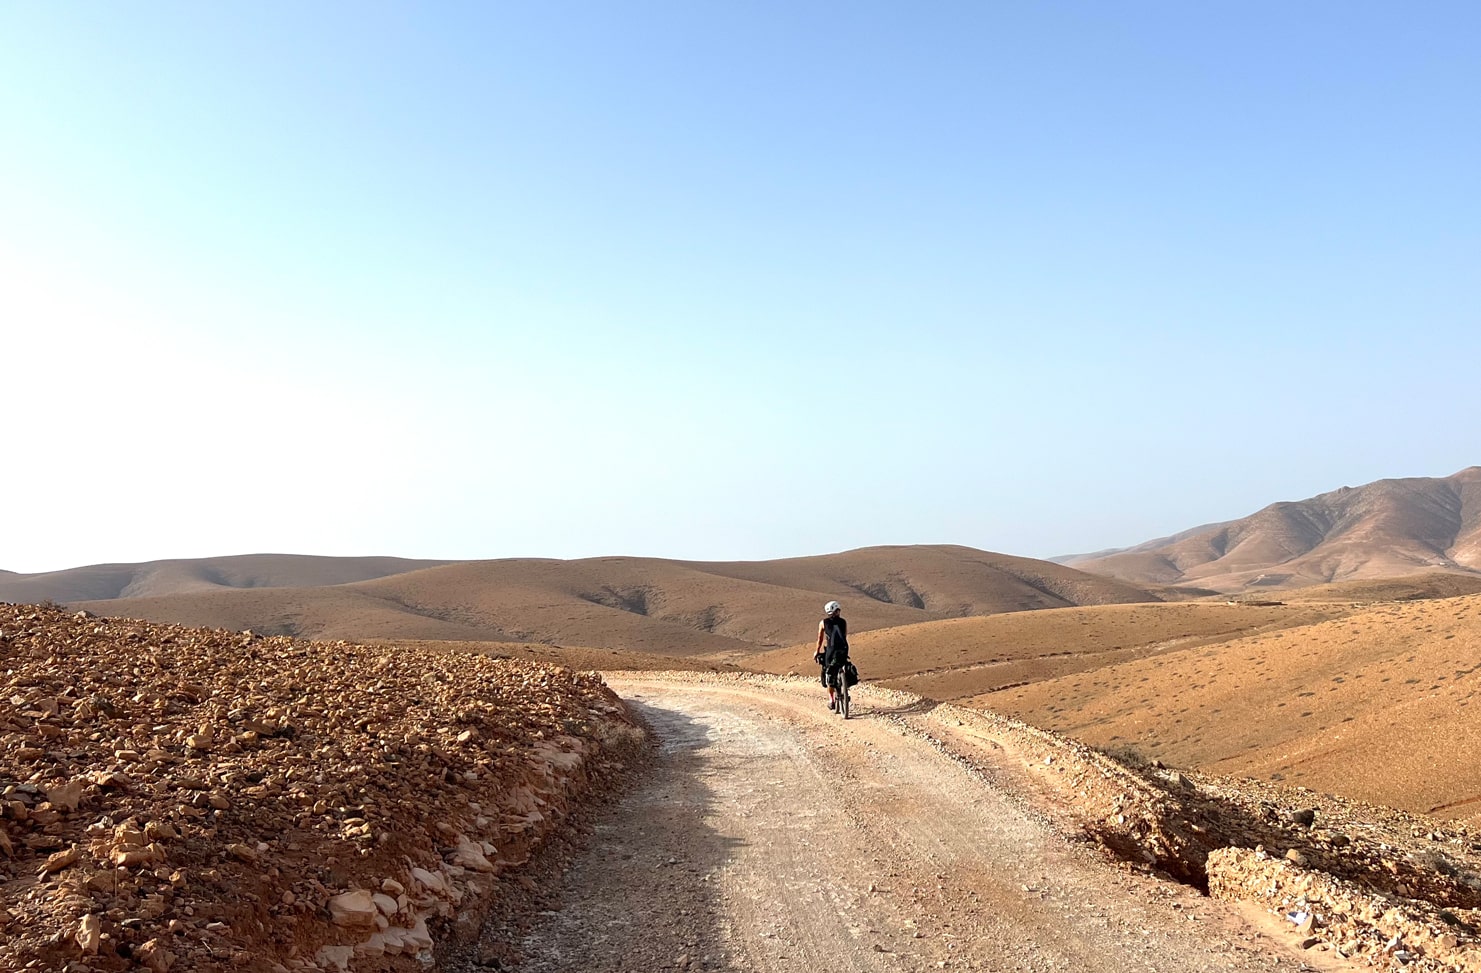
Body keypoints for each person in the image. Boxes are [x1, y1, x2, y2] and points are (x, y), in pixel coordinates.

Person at [815, 600, 849, 710]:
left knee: (828, 672)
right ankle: (844, 685)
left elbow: (820, 639)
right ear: (837, 610)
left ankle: (831, 699)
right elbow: (844, 635)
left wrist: (817, 651)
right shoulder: (843, 622)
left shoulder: (823, 623)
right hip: (843, 649)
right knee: (842, 664)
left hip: (830, 651)